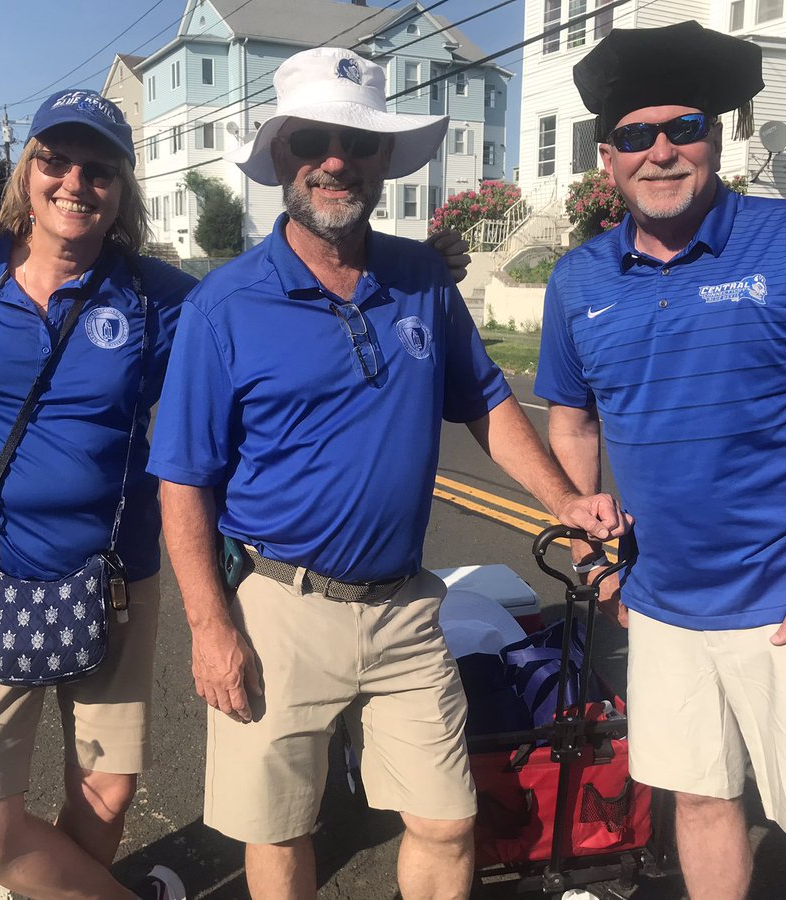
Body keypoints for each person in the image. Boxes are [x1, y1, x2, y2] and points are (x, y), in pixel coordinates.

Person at [147, 47, 629, 900]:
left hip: (406, 607)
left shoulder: (419, 281)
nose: (336, 160)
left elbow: (485, 404)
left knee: (447, 821)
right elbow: (183, 481)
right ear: (284, 156)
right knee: (283, 832)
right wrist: (209, 627)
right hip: (280, 609)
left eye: (358, 143)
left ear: (382, 160)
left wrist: (566, 500)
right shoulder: (224, 305)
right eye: (313, 141)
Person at [534, 21, 786, 900]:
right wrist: (596, 543)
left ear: (718, 136)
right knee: (700, 802)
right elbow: (572, 422)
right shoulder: (578, 281)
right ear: (606, 159)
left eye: (682, 128)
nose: (660, 152)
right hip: (662, 610)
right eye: (634, 136)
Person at [0, 89, 194, 900]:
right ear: (25, 172)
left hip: (113, 578)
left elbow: (249, 356)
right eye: (54, 160)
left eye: (99, 168)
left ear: (123, 188)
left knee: (105, 792)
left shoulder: (158, 294)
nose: (75, 181)